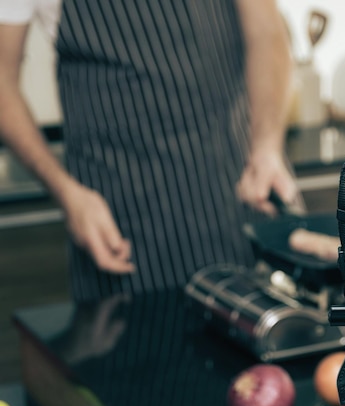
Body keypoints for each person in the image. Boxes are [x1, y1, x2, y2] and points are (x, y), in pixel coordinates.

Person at [0, 0, 300, 301]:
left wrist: (267, 146)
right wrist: (68, 194)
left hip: (243, 189)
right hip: (125, 222)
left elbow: (266, 32)